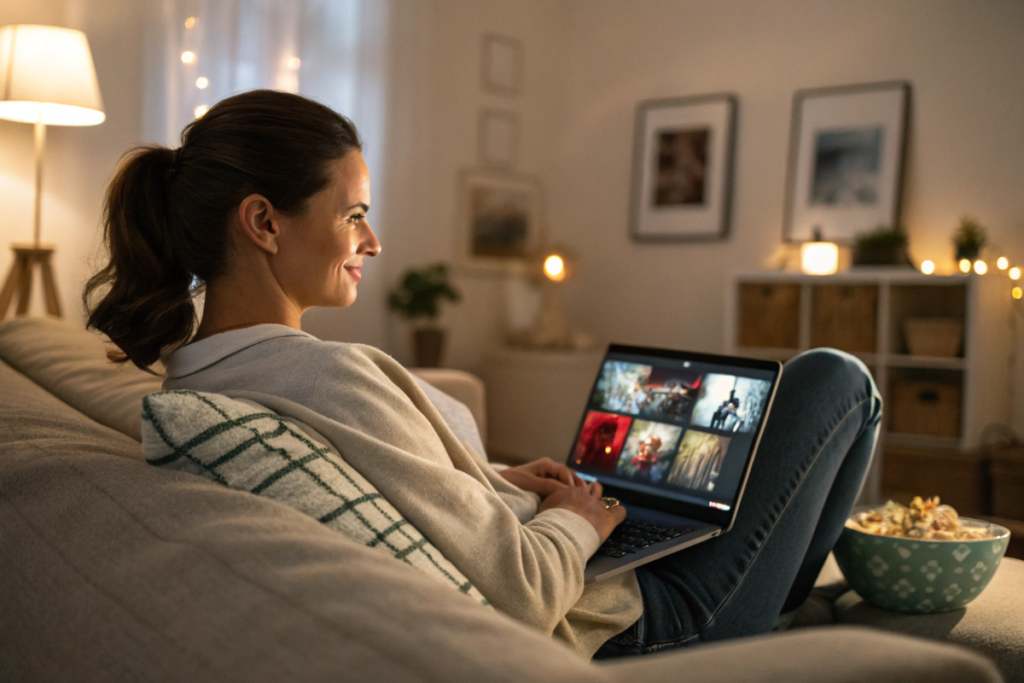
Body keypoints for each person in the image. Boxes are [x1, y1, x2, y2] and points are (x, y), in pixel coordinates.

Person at [84, 90, 882, 660]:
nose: (375, 240)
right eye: (354, 213)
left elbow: (379, 478)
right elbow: (525, 590)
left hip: (570, 558)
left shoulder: (196, 382)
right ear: (262, 222)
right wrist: (577, 519)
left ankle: (771, 592)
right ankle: (769, 617)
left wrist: (489, 476)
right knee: (835, 378)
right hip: (632, 623)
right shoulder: (328, 376)